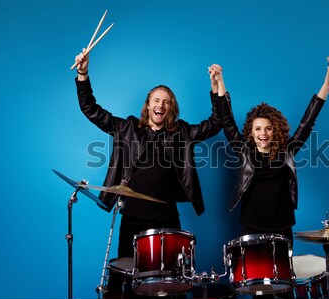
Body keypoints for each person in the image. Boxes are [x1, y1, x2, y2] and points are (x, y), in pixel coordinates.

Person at [74, 50, 223, 260]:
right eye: (155, 100)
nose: (160, 105)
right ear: (148, 105)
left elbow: (217, 122)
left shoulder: (182, 132)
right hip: (132, 217)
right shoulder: (127, 128)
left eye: (166, 102)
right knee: (125, 277)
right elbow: (90, 109)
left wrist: (217, 86)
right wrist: (83, 74)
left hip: (167, 218)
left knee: (170, 281)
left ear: (171, 108)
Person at [208, 63, 329, 245]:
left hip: (282, 226)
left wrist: (325, 87)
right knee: (252, 274)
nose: (263, 133)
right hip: (251, 225)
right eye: (258, 129)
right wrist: (220, 81)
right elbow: (227, 121)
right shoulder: (244, 151)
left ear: (275, 131)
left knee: (283, 274)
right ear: (251, 132)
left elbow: (307, 123)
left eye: (268, 128)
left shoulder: (287, 151)